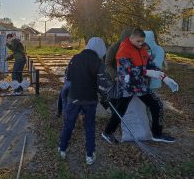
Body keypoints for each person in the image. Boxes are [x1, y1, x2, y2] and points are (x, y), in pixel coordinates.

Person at [102, 29, 178, 144]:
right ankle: (107, 132)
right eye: (138, 41)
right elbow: (126, 70)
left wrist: (165, 78)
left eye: (142, 42)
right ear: (131, 38)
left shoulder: (142, 49)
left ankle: (157, 134)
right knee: (120, 110)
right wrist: (147, 72)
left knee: (156, 104)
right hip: (127, 87)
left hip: (140, 86)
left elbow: (151, 65)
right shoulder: (123, 50)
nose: (140, 44)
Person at [58, 37, 111, 165]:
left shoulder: (75, 58)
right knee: (89, 127)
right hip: (90, 100)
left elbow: (67, 76)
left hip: (73, 98)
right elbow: (103, 85)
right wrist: (106, 98)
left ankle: (62, 148)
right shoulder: (98, 63)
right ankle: (89, 154)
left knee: (68, 124)